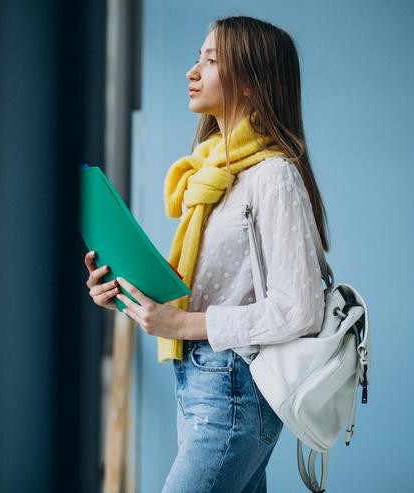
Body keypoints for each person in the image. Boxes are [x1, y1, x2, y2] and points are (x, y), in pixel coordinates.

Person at [84, 15, 329, 493]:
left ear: (253, 85)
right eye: (197, 58)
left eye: (212, 60)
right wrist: (123, 293)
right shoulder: (212, 172)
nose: (192, 71)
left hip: (234, 388)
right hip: (200, 381)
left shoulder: (272, 176)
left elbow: (300, 309)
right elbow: (210, 292)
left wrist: (180, 325)